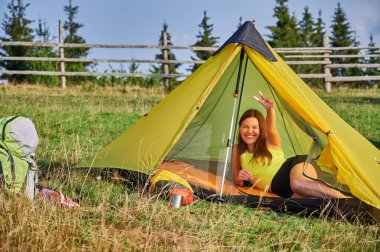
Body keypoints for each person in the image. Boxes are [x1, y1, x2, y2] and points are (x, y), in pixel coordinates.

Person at [232, 91, 347, 199]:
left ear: (261, 129)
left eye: (254, 127)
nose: (249, 131)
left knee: (299, 184)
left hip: (292, 168)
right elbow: (236, 178)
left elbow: (270, 129)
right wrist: (239, 177)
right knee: (308, 200)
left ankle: (345, 200)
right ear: (240, 128)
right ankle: (345, 205)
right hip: (282, 190)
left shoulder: (269, 142)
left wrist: (270, 110)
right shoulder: (237, 149)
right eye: (245, 126)